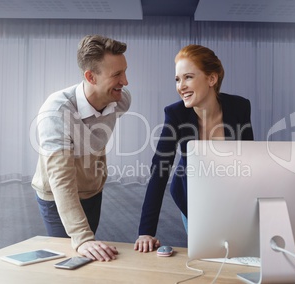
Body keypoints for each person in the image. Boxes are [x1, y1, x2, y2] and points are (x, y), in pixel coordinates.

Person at [134, 44, 254, 253]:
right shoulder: (176, 114)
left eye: (188, 77)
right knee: (208, 254)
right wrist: (146, 231)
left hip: (231, 193)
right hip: (194, 195)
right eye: (178, 79)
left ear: (211, 79)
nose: (181, 86)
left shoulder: (239, 107)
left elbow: (250, 159)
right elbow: (160, 170)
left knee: (239, 253)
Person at [32, 35, 131, 261]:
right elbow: (61, 178)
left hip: (92, 189)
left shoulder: (121, 100)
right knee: (69, 257)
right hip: (57, 196)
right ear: (90, 77)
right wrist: (82, 236)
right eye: (117, 74)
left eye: (124, 71)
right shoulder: (56, 111)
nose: (125, 81)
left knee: (89, 254)